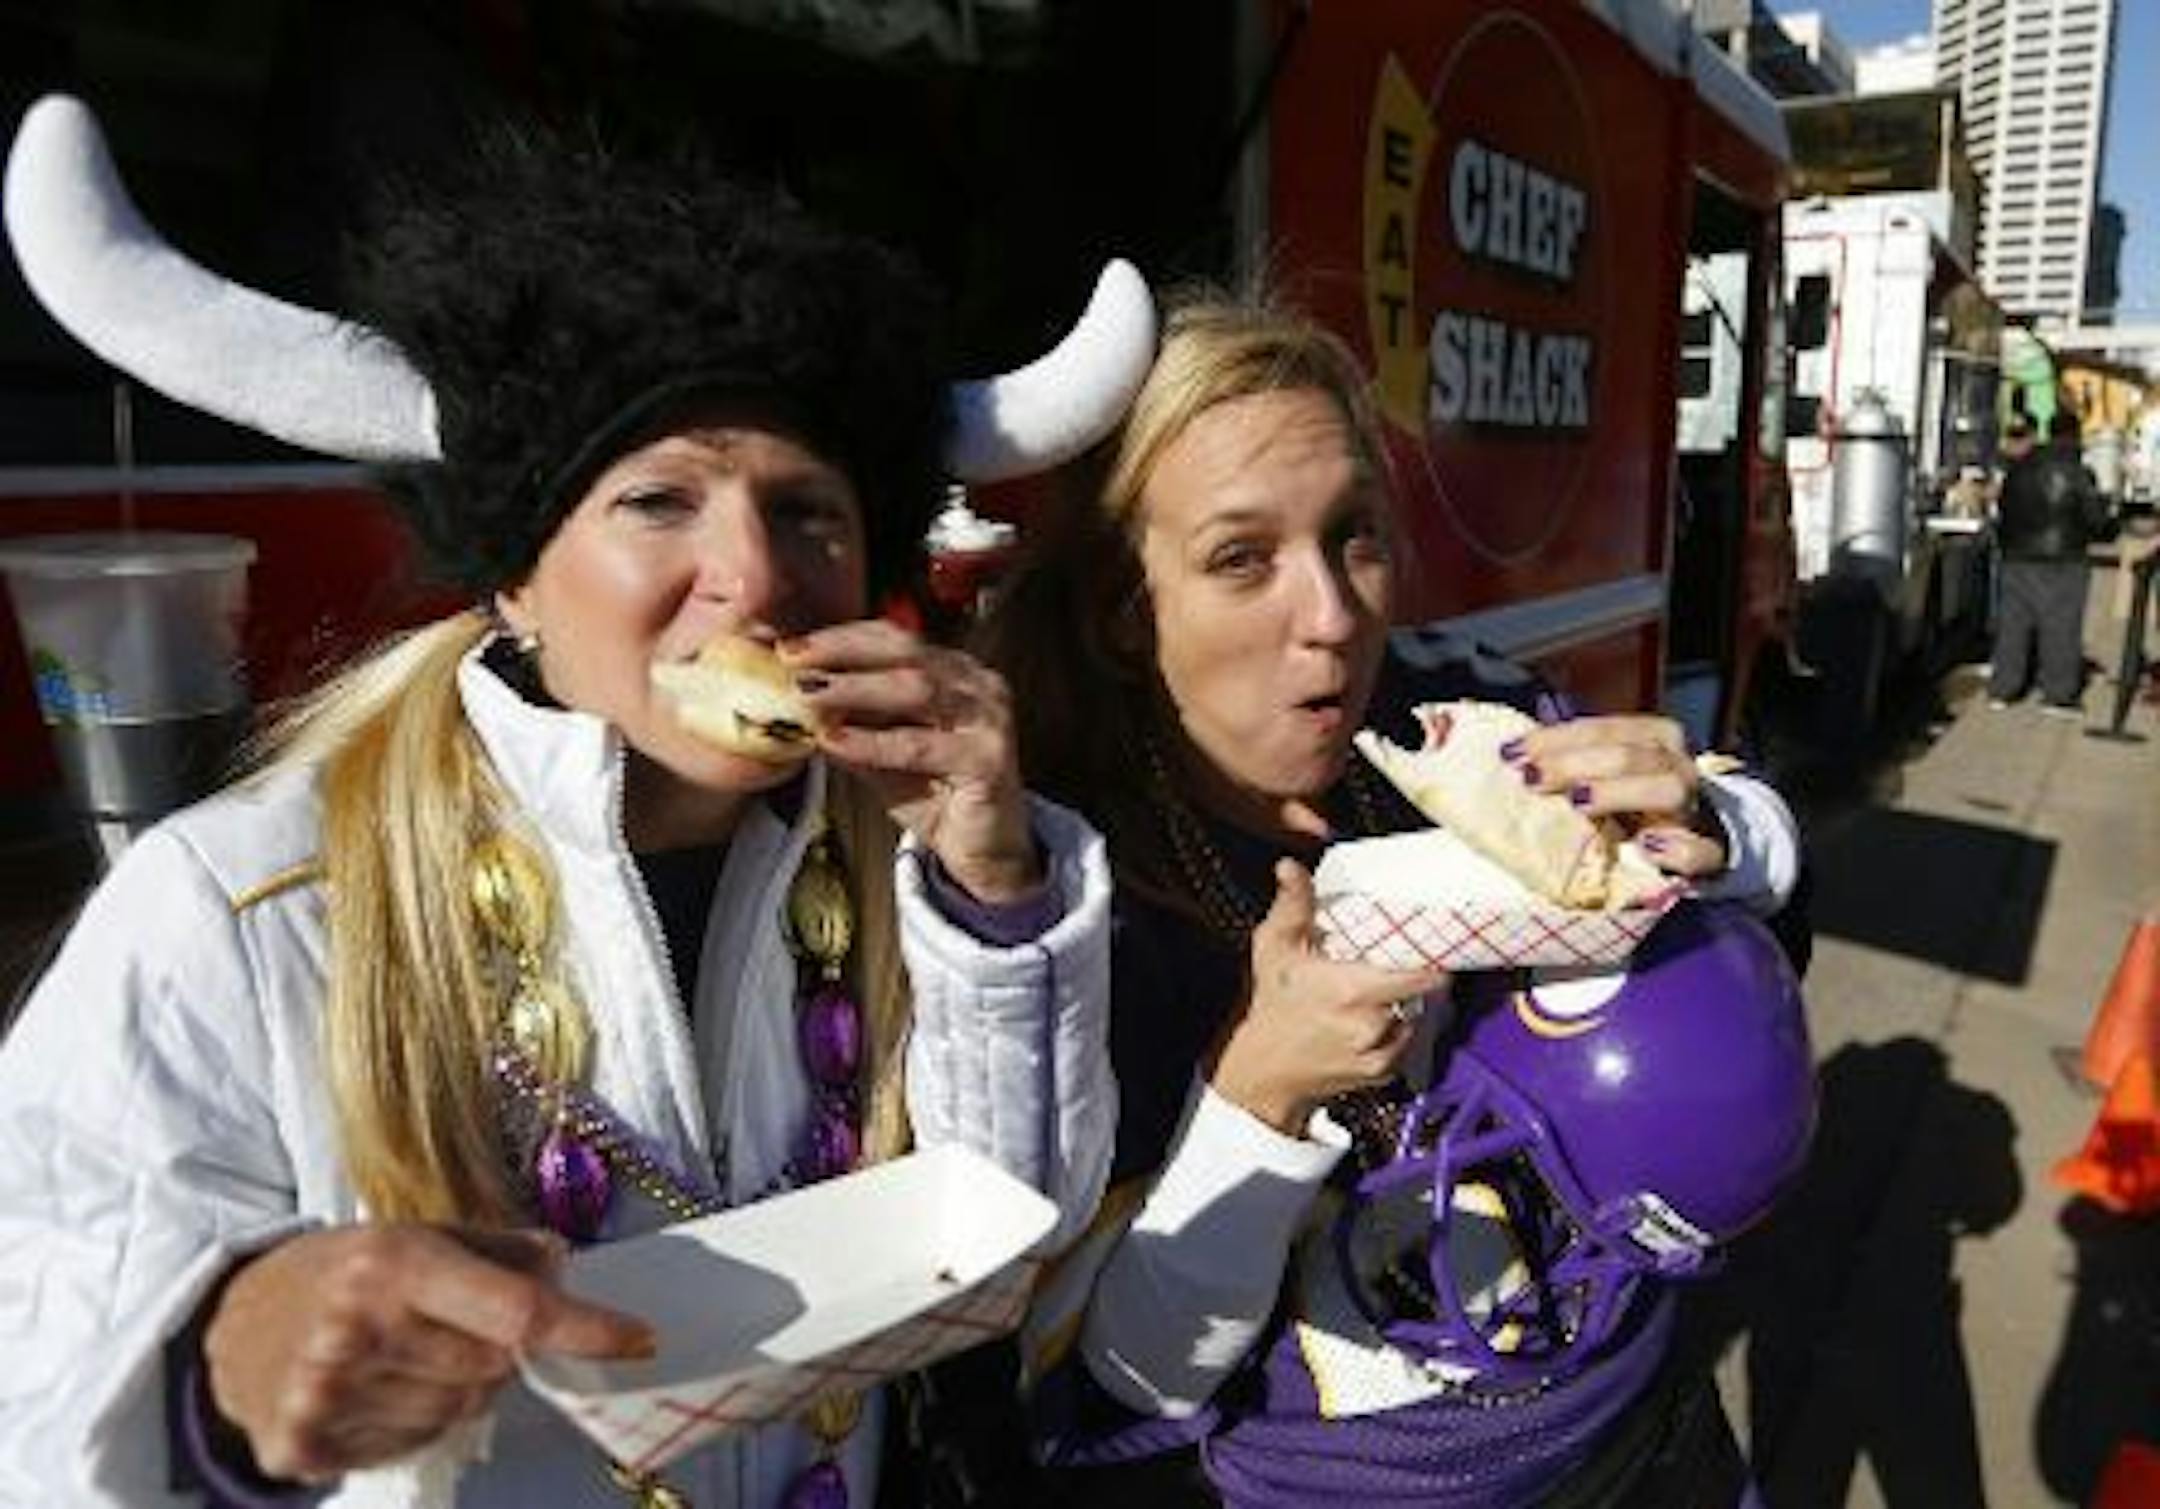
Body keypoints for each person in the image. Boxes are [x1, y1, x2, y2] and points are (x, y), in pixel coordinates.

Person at [0, 97, 1154, 1508]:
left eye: (808, 511)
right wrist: (211, 1375)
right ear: (515, 576)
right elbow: (32, 1370)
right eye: (659, 501)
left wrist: (995, 892)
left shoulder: (901, 855)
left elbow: (1004, 1246)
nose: (754, 577)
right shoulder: (244, 905)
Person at [975, 295, 1809, 1507]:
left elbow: (1763, 851)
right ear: (1123, 610)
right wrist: (1255, 1097)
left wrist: (1713, 824)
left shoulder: (1451, 710)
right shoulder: (1060, 908)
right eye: (1242, 559)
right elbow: (1119, 1392)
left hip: (1641, 1433)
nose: (1332, 618)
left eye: (1354, 535)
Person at [1989, 408, 2116, 715]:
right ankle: (2057, 694)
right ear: (2076, 436)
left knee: (2013, 626)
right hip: (2065, 558)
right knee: (2060, 625)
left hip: (2017, 556)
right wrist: (2111, 524)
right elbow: (2096, 521)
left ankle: (2003, 689)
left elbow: (2004, 508)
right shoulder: (2078, 473)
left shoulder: (2020, 467)